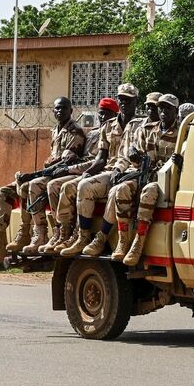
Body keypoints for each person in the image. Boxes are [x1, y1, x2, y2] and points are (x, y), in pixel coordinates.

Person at [0, 97, 86, 264]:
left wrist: (33, 175)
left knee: (29, 186)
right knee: (4, 192)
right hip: (46, 173)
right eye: (56, 108)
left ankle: (36, 233)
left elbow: (64, 163)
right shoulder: (55, 130)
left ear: (71, 111)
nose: (59, 111)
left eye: (63, 108)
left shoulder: (75, 132)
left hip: (59, 175)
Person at [90, 93, 180, 265]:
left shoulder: (182, 133)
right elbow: (134, 154)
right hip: (142, 174)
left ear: (175, 110)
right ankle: (123, 241)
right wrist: (135, 156)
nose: (163, 112)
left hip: (162, 182)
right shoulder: (147, 130)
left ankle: (138, 242)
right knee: (121, 189)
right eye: (161, 107)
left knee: (148, 191)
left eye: (168, 108)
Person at [60, 84, 146, 257]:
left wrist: (122, 171)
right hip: (109, 172)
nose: (124, 103)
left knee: (116, 191)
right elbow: (101, 158)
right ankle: (82, 236)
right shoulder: (108, 125)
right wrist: (88, 172)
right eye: (121, 99)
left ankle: (102, 237)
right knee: (84, 185)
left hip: (130, 172)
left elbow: (139, 157)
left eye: (128, 100)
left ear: (136, 102)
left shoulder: (142, 125)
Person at [37, 98, 119, 255]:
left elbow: (98, 162)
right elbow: (84, 158)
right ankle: (60, 232)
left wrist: (70, 170)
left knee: (67, 186)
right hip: (84, 169)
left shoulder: (116, 133)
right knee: (51, 185)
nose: (103, 117)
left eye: (108, 114)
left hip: (99, 172)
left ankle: (76, 234)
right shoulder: (94, 133)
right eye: (101, 113)